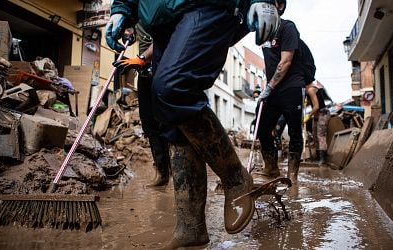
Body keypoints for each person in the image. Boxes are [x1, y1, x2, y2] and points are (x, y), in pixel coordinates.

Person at [105, 0, 279, 248]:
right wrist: (122, 9)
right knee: (168, 114)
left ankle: (236, 178)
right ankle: (190, 227)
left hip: (205, 5)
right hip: (161, 18)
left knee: (172, 88)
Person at [114, 24, 171, 187]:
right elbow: (133, 29)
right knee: (148, 122)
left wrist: (142, 58)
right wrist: (129, 32)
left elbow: (164, 38)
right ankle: (162, 172)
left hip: (164, 70)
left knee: (168, 123)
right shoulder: (137, 11)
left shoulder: (157, 9)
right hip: (145, 74)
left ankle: (180, 172)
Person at [256, 0, 305, 184]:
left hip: (291, 86)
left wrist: (269, 87)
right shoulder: (264, 31)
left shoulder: (288, 27)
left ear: (280, 6)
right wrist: (267, 88)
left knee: (294, 131)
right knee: (262, 126)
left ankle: (292, 176)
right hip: (273, 89)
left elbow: (285, 62)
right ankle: (271, 168)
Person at [304, 80, 333, 165]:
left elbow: (316, 106)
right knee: (315, 135)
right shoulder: (307, 91)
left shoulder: (311, 89)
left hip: (322, 113)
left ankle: (322, 159)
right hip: (317, 115)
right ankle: (317, 157)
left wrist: (308, 116)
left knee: (320, 135)